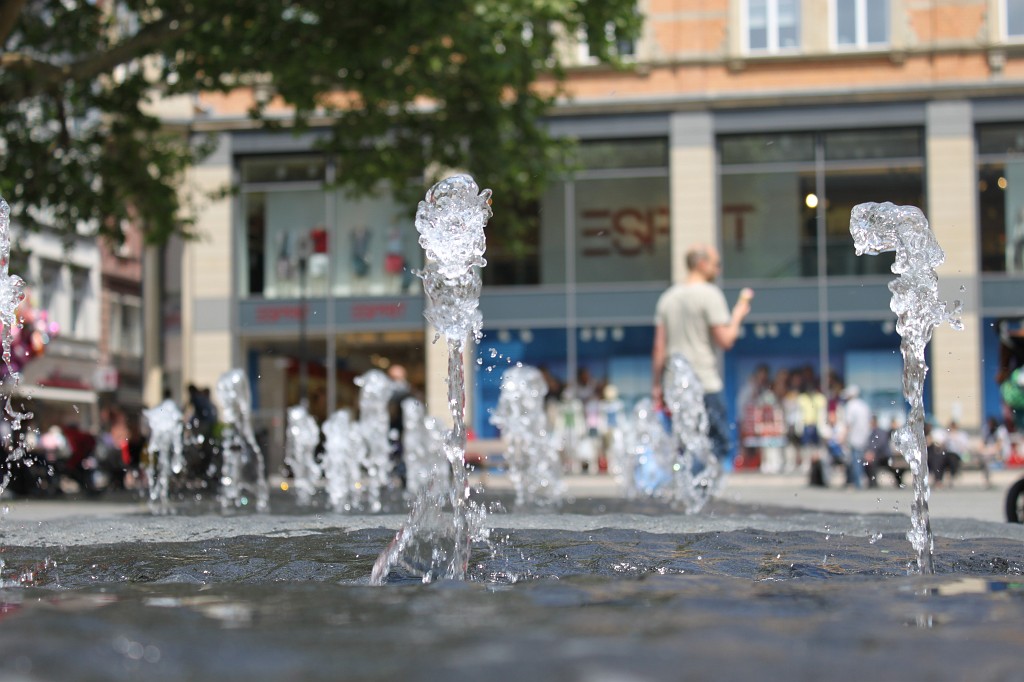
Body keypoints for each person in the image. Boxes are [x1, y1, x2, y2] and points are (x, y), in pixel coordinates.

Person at [651, 244, 753, 463]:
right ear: (702, 264)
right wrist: (737, 315)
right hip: (704, 384)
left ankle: (689, 488)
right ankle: (702, 490)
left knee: (685, 444)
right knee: (721, 442)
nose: (719, 270)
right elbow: (726, 340)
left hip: (676, 386)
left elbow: (659, 347)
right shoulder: (710, 294)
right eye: (717, 264)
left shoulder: (667, 298)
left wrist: (657, 385)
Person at [841, 385, 872, 489]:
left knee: (855, 461)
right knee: (860, 460)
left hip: (855, 438)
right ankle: (860, 480)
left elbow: (848, 424)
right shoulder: (864, 405)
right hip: (864, 437)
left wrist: (843, 437)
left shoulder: (850, 406)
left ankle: (858, 483)